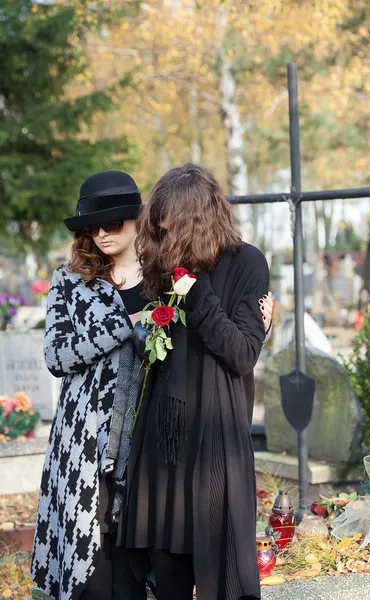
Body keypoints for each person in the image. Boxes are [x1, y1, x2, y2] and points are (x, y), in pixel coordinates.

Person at [120, 163, 271, 600]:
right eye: (160, 228)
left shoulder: (247, 262)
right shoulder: (167, 263)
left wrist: (196, 289)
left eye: (171, 228)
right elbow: (153, 347)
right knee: (166, 565)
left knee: (217, 565)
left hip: (214, 438)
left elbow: (241, 354)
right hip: (164, 438)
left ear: (196, 219)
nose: (165, 237)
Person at [31, 171, 149, 600]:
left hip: (146, 433)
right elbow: (56, 357)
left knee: (139, 556)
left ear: (137, 221)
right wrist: (122, 326)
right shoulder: (69, 282)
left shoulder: (163, 279)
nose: (101, 233)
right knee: (93, 560)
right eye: (92, 226)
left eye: (113, 223)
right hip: (84, 440)